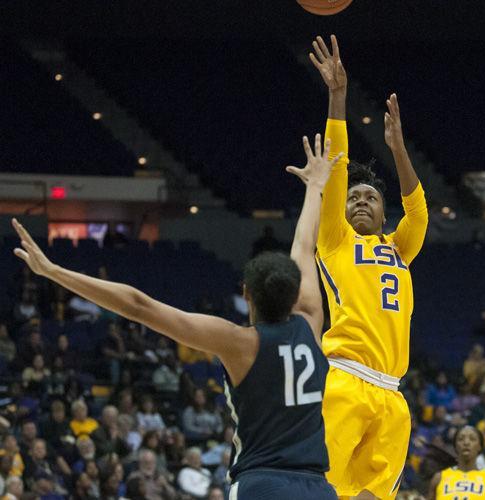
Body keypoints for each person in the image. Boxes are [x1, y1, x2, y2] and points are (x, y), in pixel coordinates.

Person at [10, 133, 341, 500]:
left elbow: (138, 305)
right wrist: (315, 187)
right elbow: (304, 245)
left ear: (245, 293)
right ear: (295, 295)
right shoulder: (312, 323)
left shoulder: (239, 343)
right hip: (318, 488)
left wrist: (55, 272)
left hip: (263, 484)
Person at [310, 34, 429, 499]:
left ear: (383, 213)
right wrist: (337, 97)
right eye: (355, 198)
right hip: (344, 380)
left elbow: (418, 212)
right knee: (322, 489)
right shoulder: (334, 239)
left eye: (371, 198)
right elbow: (336, 172)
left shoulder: (400, 247)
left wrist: (397, 147)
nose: (360, 202)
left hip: (393, 395)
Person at [427, 426, 485, 500]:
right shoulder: (439, 478)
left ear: (480, 446)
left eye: (472, 439)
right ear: (455, 446)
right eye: (461, 439)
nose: (466, 442)